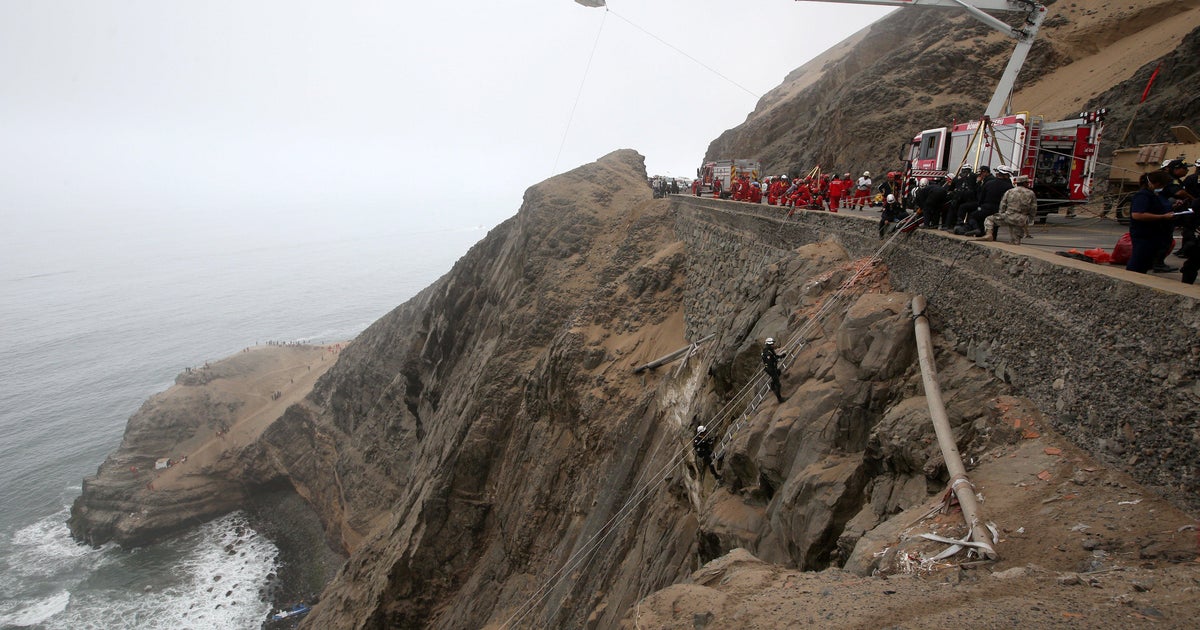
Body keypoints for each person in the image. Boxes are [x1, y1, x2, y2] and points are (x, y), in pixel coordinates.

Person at [1127, 171, 1181, 274]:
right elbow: (1137, 214)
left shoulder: (1154, 195)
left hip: (1154, 234)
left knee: (1146, 261)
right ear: (1156, 183)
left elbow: (1155, 208)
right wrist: (1162, 216)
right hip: (1143, 234)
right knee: (1138, 261)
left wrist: (1172, 208)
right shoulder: (1142, 195)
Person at [981, 175, 1037, 244]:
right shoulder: (1031, 193)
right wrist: (1030, 219)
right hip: (1021, 219)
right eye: (1027, 183)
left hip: (1009, 216)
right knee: (1015, 240)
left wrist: (1001, 214)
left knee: (989, 219)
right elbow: (1033, 208)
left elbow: (1003, 204)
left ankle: (989, 234)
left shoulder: (1010, 191)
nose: (1028, 184)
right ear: (1025, 183)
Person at [965, 165, 1014, 236]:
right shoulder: (1010, 187)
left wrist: (980, 206)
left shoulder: (989, 183)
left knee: (973, 217)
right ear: (1006, 175)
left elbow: (981, 197)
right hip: (998, 210)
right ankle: (992, 237)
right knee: (995, 225)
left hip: (985, 207)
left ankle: (977, 230)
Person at [761, 338, 787, 403]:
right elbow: (770, 362)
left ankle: (772, 385)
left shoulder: (770, 350)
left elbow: (774, 356)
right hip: (771, 369)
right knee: (778, 384)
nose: (773, 345)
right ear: (769, 344)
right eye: (772, 344)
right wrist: (777, 361)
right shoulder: (768, 353)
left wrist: (781, 356)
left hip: (772, 368)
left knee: (778, 372)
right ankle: (780, 399)